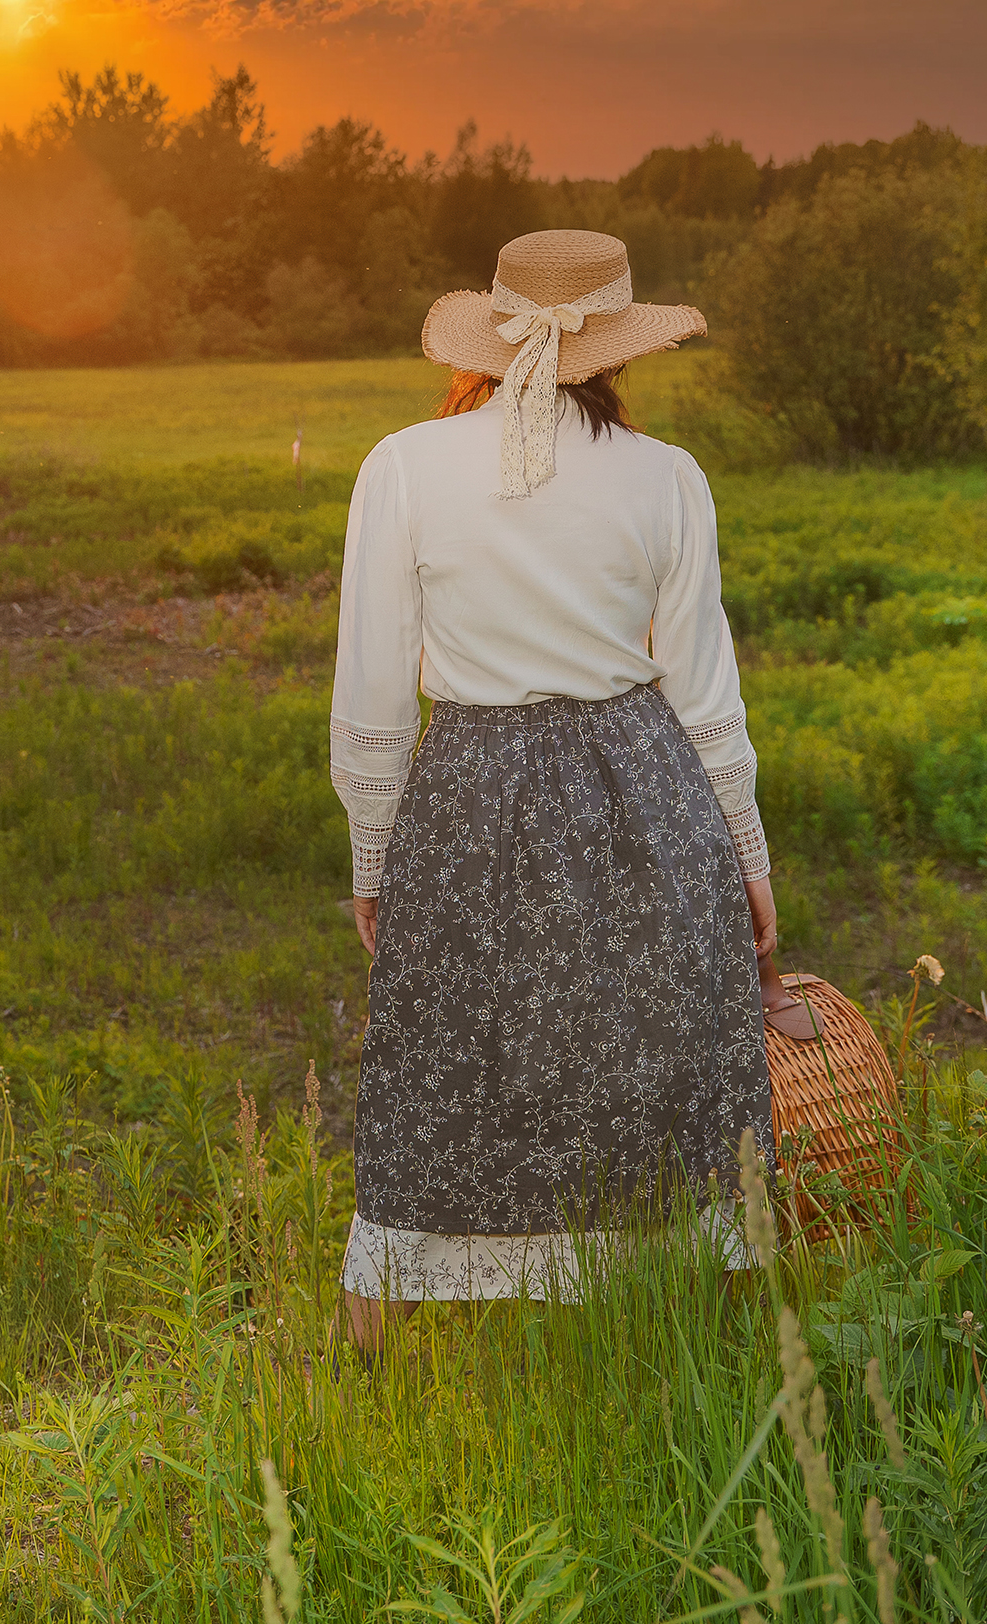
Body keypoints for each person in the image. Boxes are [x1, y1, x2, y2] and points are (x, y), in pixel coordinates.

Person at [329, 228, 777, 1355]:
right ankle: (708, 1334)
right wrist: (746, 858)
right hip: (646, 782)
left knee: (442, 1047)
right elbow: (705, 695)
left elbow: (373, 693)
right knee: (658, 1040)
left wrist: (371, 857)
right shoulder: (666, 475)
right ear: (617, 349)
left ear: (491, 333)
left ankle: (370, 1349)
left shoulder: (401, 464)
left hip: (472, 790)